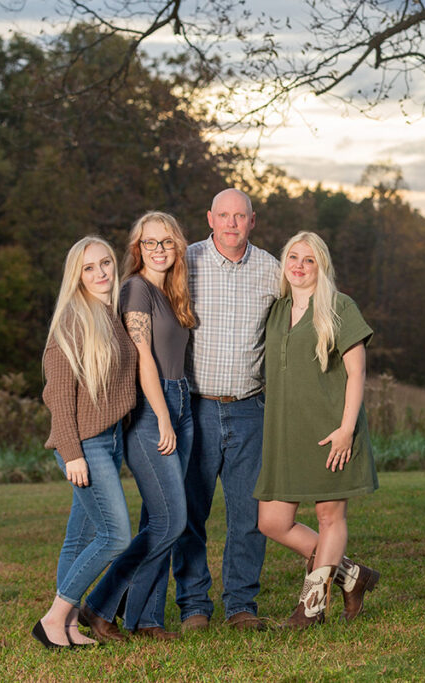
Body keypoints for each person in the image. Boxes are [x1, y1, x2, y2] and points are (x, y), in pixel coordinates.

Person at [255, 231, 380, 628]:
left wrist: (346, 430)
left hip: (331, 431)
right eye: (293, 257)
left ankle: (311, 607)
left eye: (309, 260)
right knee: (271, 522)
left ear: (320, 266)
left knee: (329, 517)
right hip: (284, 433)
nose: (299, 266)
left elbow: (357, 373)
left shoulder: (340, 307)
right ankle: (351, 576)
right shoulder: (276, 310)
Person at [81, 212, 195, 642]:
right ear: (138, 249)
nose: (159, 250)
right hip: (152, 412)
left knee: (159, 518)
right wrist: (164, 414)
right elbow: (143, 356)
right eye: (150, 243)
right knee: (171, 522)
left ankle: (146, 620)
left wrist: (178, 411)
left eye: (166, 242)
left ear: (177, 246)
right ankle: (98, 606)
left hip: (181, 402)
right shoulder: (135, 289)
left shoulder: (173, 291)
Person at [172, 188, 281, 631]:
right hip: (194, 408)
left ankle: (240, 607)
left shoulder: (273, 270)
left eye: (241, 216)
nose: (232, 223)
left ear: (252, 221)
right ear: (209, 219)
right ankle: (194, 606)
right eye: (224, 215)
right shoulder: (186, 262)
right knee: (188, 513)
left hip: (249, 409)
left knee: (248, 515)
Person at [33, 236, 137, 649]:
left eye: (106, 263)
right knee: (115, 537)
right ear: (76, 275)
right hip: (84, 445)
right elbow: (58, 396)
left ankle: (70, 626)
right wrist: (72, 453)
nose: (101, 273)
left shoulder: (108, 316)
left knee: (79, 538)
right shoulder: (72, 321)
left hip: (108, 440)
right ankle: (54, 618)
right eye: (89, 267)